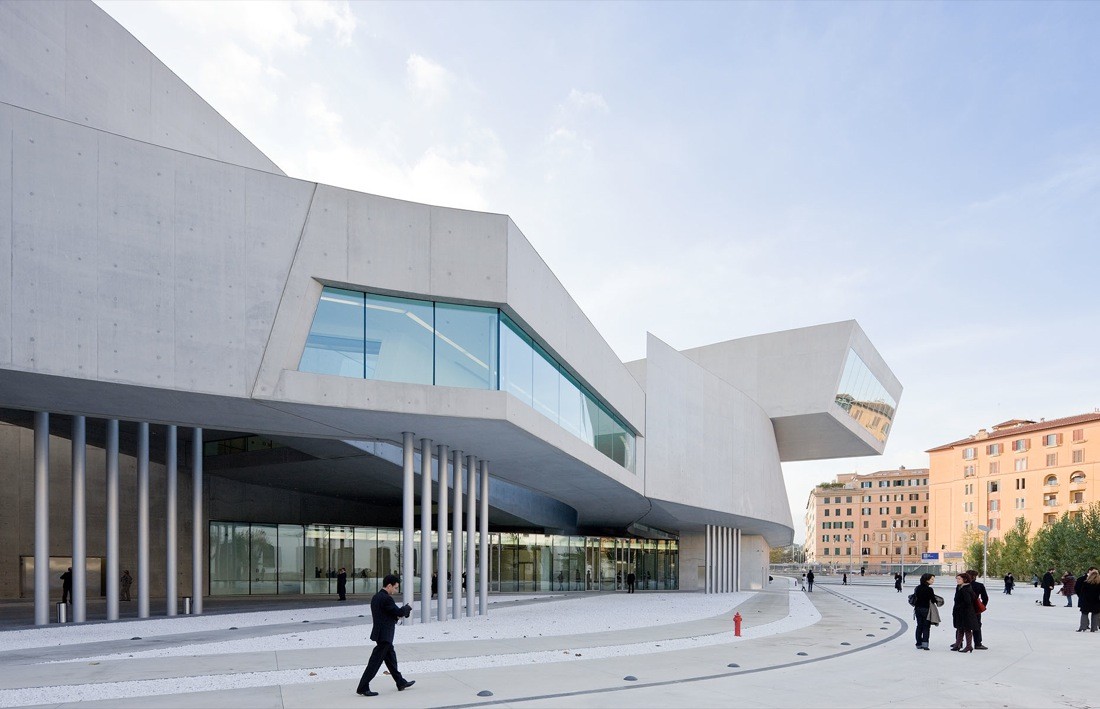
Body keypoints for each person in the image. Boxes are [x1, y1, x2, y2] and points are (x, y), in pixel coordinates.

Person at [355, 574, 414, 697]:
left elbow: (387, 614)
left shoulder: (376, 597)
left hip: (381, 634)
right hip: (385, 637)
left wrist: (399, 614)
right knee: (375, 662)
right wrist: (407, 608)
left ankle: (400, 682)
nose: (396, 590)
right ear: (389, 586)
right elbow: (397, 612)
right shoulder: (386, 598)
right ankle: (363, 687)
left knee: (391, 659)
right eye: (395, 588)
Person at [912, 573, 942, 650]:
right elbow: (932, 599)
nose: (933, 581)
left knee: (919, 626)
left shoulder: (917, 588)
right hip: (926, 609)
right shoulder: (929, 589)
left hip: (917, 609)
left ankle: (918, 644)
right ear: (927, 580)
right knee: (926, 627)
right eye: (932, 579)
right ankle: (925, 644)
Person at [950, 573, 978, 652]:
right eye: (957, 578)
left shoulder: (965, 589)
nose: (957, 580)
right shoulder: (960, 587)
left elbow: (968, 602)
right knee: (960, 628)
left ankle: (969, 646)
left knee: (967, 629)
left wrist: (959, 607)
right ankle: (957, 645)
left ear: (964, 580)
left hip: (966, 613)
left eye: (959, 579)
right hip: (960, 612)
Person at [966, 570, 989, 650]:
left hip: (964, 608)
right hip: (975, 608)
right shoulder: (979, 585)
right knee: (977, 625)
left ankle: (959, 642)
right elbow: (985, 598)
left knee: (962, 625)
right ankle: (978, 643)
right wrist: (982, 606)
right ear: (975, 576)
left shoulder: (963, 585)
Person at [1075, 568, 1100, 632]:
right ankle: (1093, 628)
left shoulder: (1085, 583)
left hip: (1086, 600)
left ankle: (1083, 627)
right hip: (1096, 601)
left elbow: (1081, 591)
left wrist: (1081, 597)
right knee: (1095, 614)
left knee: (1084, 614)